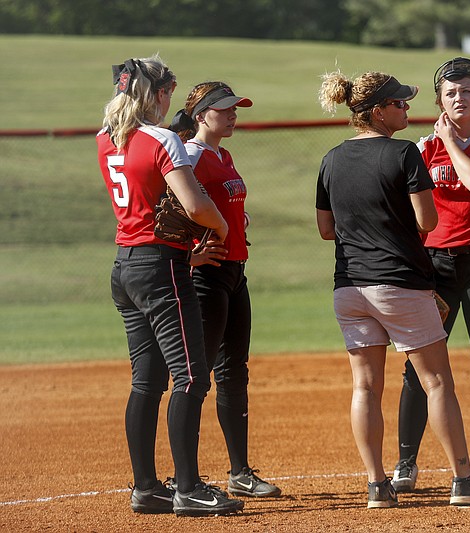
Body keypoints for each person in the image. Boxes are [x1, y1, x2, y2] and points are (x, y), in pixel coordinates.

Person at [315, 70, 470, 508]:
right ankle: (463, 480)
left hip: (349, 288)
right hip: (399, 283)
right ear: (377, 112)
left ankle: (377, 485)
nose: (406, 108)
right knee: (437, 382)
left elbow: (327, 229)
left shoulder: (331, 158)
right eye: (399, 104)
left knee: (365, 388)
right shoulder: (403, 153)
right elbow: (428, 222)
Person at [96, 55, 243, 516]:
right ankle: (189, 487)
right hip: (161, 271)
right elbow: (196, 206)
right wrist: (219, 228)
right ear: (156, 95)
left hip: (126, 266)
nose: (169, 102)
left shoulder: (106, 138)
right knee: (192, 376)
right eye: (168, 93)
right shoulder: (159, 138)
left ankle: (146, 487)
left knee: (147, 381)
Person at [390, 57, 470, 493]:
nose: (458, 98)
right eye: (449, 93)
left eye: (466, 90)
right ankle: (406, 462)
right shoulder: (423, 147)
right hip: (435, 266)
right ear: (439, 100)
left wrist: (448, 140)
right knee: (418, 369)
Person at [169, 81, 282, 499]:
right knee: (195, 377)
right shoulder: (191, 156)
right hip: (206, 278)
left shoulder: (222, 154)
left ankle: (240, 473)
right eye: (224, 109)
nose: (233, 115)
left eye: (235, 109)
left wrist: (239, 218)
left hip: (235, 272)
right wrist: (189, 256)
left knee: (235, 372)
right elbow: (165, 206)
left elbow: (220, 204)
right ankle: (187, 479)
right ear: (200, 115)